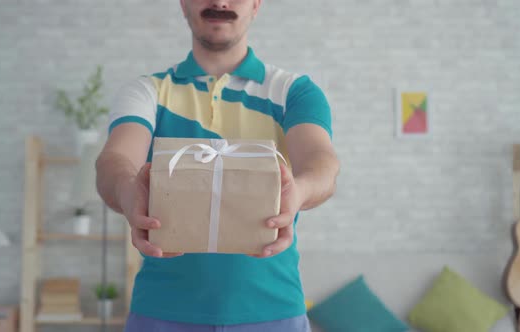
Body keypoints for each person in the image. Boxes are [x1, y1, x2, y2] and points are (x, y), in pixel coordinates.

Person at [95, 1, 340, 331]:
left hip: (275, 312)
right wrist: (126, 192)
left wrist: (301, 191)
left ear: (255, 5)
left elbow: (320, 162)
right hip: (160, 312)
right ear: (184, 4)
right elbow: (115, 160)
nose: (221, 2)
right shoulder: (147, 91)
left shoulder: (294, 92)